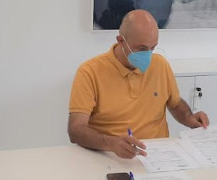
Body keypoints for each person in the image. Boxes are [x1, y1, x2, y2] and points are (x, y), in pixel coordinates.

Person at [68, 9, 209, 159]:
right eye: (141, 48)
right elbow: (76, 130)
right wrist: (111, 143)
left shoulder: (160, 64)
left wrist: (189, 118)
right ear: (121, 41)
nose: (148, 54)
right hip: (110, 156)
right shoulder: (90, 72)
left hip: (158, 155)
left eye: (152, 48)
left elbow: (175, 104)